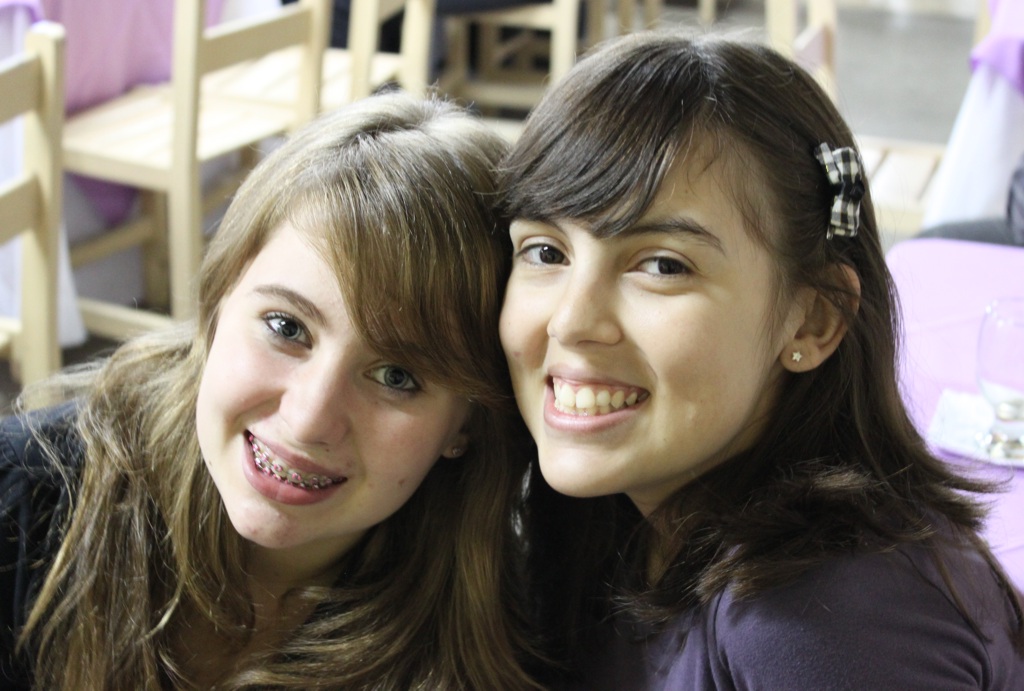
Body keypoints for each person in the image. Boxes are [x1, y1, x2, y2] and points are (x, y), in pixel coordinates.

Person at [499, 31, 1024, 688]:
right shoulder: (609, 515)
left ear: (814, 317)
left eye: (663, 265)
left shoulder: (826, 623)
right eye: (546, 251)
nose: (572, 320)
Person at [0, 91, 543, 690]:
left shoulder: (500, 644)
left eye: (397, 377)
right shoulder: (24, 501)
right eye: (287, 328)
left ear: (465, 424)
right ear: (218, 301)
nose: (310, 418)